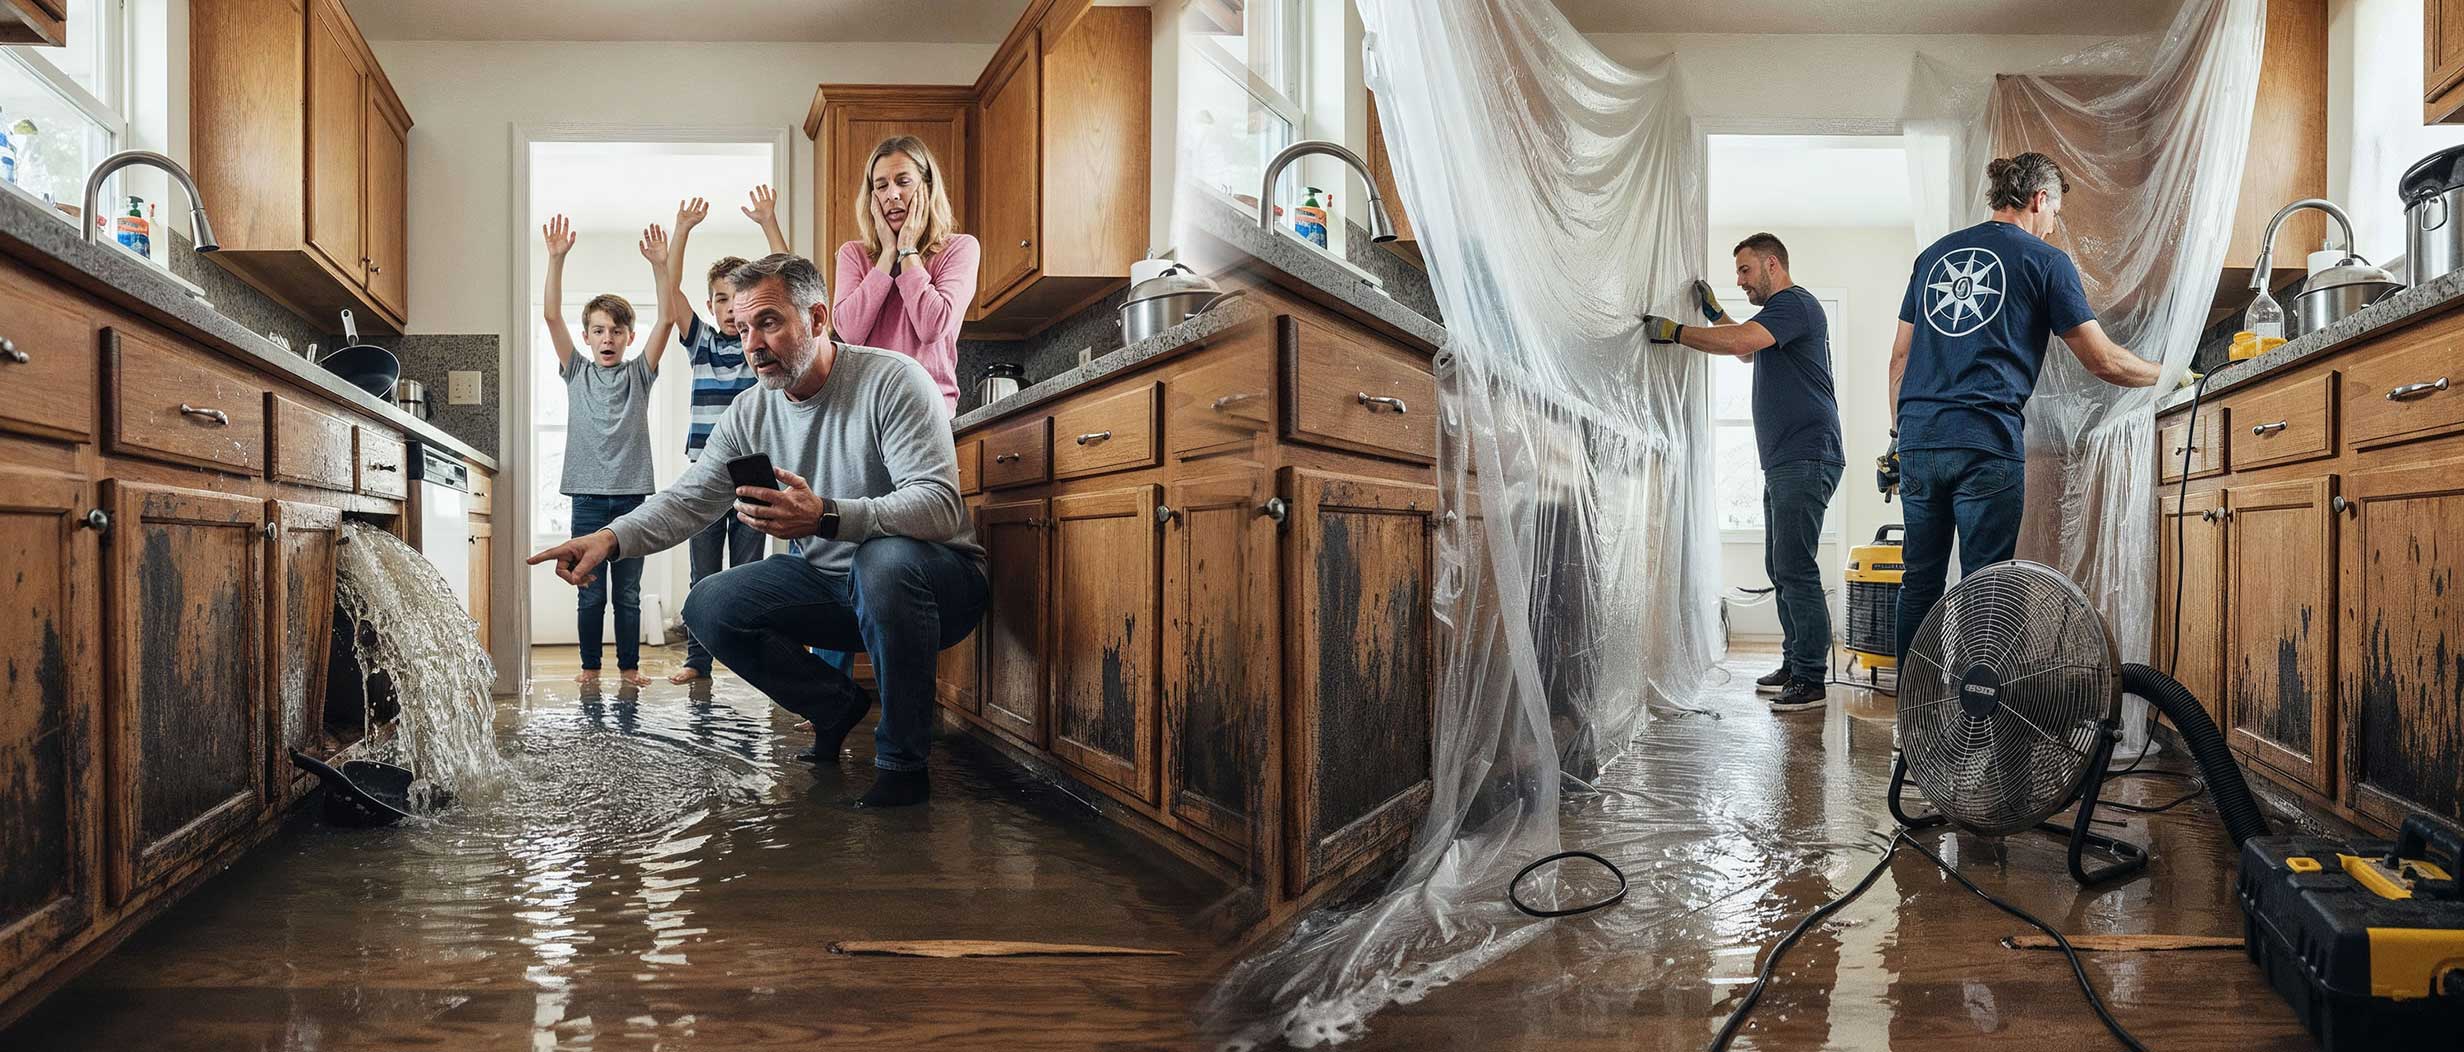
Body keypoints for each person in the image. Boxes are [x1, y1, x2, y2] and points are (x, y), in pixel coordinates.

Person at [527, 253, 987, 808]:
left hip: (937, 587)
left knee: (881, 561)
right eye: (744, 328)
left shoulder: (893, 381)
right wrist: (609, 538)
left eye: (768, 322)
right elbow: (689, 499)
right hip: (833, 588)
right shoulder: (750, 411)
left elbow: (938, 505)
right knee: (708, 603)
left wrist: (826, 516)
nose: (751, 343)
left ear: (817, 319)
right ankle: (832, 705)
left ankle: (903, 761)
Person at [1887, 152, 2161, 662]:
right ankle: (1980, 728)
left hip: (1920, 440)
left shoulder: (1932, 257)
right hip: (1986, 442)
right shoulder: (2044, 262)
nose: (2055, 226)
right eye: (2055, 212)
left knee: (1919, 583)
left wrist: (1900, 439)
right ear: (2040, 199)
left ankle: (1914, 727)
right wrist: (2166, 376)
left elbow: (1899, 359)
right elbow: (2101, 360)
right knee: (1983, 589)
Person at [1643, 234, 1844, 712]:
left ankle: (1812, 680)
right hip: (1787, 459)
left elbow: (1740, 341)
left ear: (1772, 264)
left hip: (1805, 455)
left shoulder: (1795, 304)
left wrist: (1675, 332)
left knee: (1795, 567)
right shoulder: (1782, 317)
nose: (1740, 281)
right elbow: (1748, 350)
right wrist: (1713, 314)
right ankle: (1796, 664)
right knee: (1781, 566)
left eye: (1745, 271)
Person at [659, 190, 791, 684]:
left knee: (748, 573)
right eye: (717, 298)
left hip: (756, 470)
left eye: (734, 298)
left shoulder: (766, 344)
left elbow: (788, 275)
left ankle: (750, 662)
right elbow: (670, 292)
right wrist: (681, 231)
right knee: (704, 572)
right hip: (704, 470)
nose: (725, 307)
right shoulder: (702, 343)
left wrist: (769, 222)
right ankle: (698, 660)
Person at [542, 214, 673, 687]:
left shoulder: (640, 374)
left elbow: (668, 319)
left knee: (630, 595)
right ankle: (590, 668)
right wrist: (556, 259)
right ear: (587, 337)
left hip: (633, 498)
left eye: (616, 331)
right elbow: (552, 316)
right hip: (587, 498)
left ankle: (631, 669)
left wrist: (661, 266)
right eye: (599, 330)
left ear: (629, 338)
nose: (607, 339)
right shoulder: (576, 372)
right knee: (590, 594)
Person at [831, 135, 978, 413]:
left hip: (929, 408)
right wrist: (887, 256)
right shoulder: (853, 254)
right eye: (881, 185)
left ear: (927, 187)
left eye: (903, 181)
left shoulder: (961, 248)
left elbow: (932, 326)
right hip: (867, 410)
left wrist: (907, 249)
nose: (892, 194)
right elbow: (849, 331)